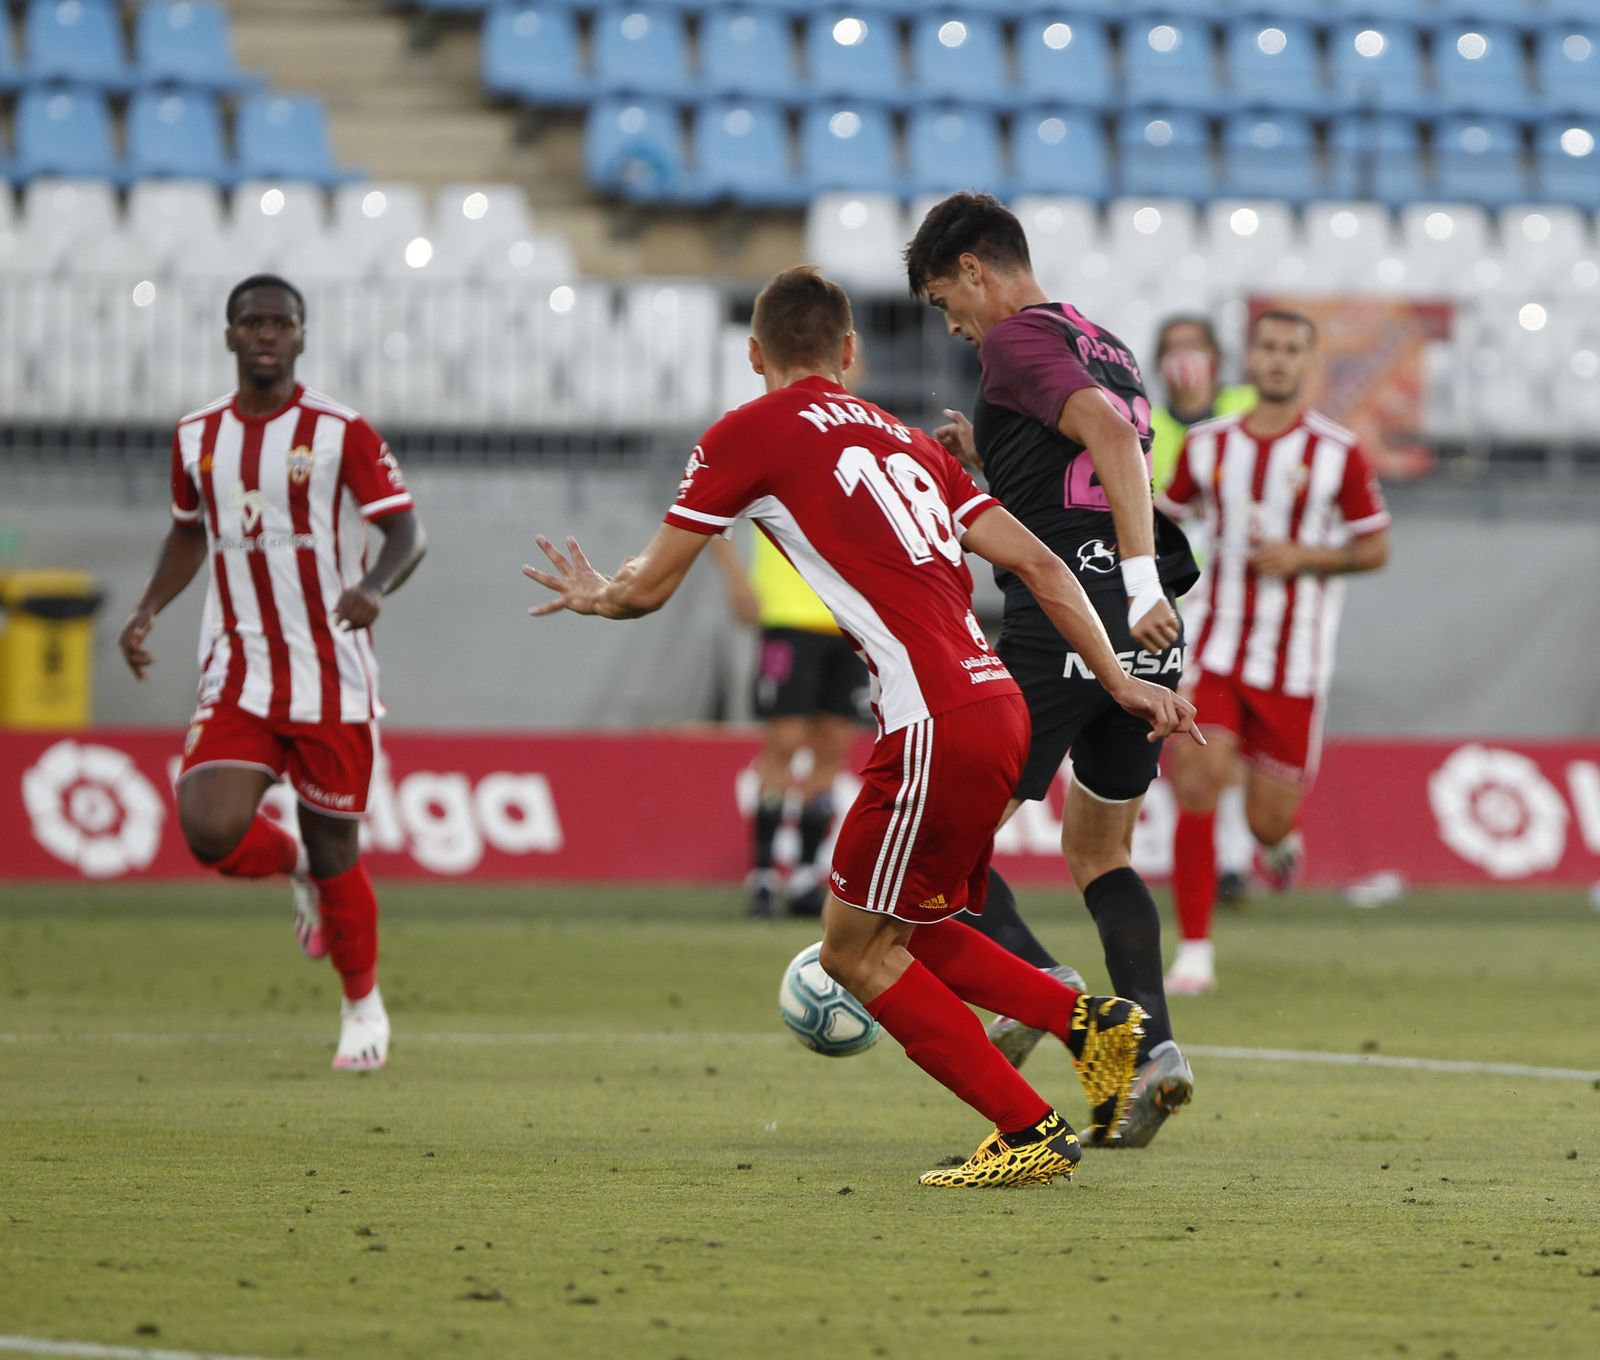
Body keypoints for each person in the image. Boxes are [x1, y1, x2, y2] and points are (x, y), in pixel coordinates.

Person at [523, 266, 1200, 1187]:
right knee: (906, 925)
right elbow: (1042, 567)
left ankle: (1028, 1128)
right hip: (993, 700)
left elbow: (649, 586)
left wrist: (600, 597)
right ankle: (1093, 1026)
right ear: (850, 353)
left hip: (928, 718)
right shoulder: (911, 442)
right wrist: (1118, 677)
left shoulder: (746, 432)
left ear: (754, 354)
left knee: (850, 952)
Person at [904, 192, 1200, 1148]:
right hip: (1145, 632)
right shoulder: (1099, 338)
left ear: (976, 269)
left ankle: (1047, 989)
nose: (953, 323)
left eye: (948, 301)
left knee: (944, 851)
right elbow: (1074, 465)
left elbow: (1110, 446)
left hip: (1071, 621)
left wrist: (1141, 580)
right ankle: (1149, 1049)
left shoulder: (1014, 343)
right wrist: (985, 465)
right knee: (1100, 852)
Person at [117, 274, 426, 1071]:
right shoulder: (195, 437)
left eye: (280, 323)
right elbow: (189, 533)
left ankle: (363, 1008)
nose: (265, 334)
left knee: (338, 849)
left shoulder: (340, 430)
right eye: (251, 322)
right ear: (229, 336)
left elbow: (405, 533)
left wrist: (372, 588)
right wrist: (149, 607)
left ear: (300, 337)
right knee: (207, 828)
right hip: (240, 663)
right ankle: (287, 863)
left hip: (332, 671)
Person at [1158, 309, 1391, 996]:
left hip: (1295, 660)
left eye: (1293, 349)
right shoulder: (1207, 446)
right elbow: (1166, 518)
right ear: (1250, 361)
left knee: (1266, 821)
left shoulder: (1338, 452)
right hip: (1216, 646)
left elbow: (1376, 545)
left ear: (1309, 364)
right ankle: (1194, 950)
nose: (1280, 360)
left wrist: (1308, 556)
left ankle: (1277, 844)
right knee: (1196, 783)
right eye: (1269, 348)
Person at [1151, 315, 1259, 908]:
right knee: (1185, 725)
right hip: (1173, 598)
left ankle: (1237, 849)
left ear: (1217, 358)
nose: (1184, 360)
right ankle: (1213, 849)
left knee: (1231, 729)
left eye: (1194, 348)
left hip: (1242, 595)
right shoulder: (1147, 427)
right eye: (1173, 350)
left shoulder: (1244, 408)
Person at [709, 530, 868, 918]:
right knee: (785, 742)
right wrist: (737, 582)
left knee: (832, 749)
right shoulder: (771, 469)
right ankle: (763, 878)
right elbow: (712, 520)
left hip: (851, 622)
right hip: (788, 620)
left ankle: (803, 878)